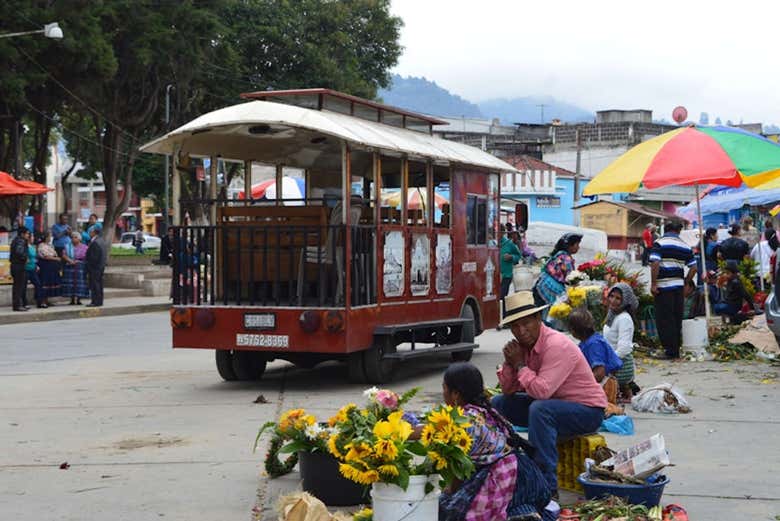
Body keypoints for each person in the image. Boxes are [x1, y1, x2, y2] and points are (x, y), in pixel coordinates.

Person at [491, 290, 607, 496]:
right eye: (515, 327)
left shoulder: (556, 344)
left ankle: (545, 485)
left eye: (526, 323)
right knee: (497, 404)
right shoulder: (522, 347)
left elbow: (541, 391)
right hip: (554, 406)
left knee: (540, 409)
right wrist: (510, 363)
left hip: (588, 411)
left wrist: (519, 364)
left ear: (538, 319)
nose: (521, 331)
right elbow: (508, 389)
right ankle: (499, 468)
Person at [438, 362, 554, 521]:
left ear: (456, 394)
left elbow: (458, 474)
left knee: (452, 511)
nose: (443, 393)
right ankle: (524, 514)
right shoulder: (483, 410)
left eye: (444, 388)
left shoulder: (463, 423)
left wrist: (449, 492)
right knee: (514, 507)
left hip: (505, 477)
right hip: (527, 475)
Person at [649, 221, 697, 359]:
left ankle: (669, 351)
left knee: (665, 319)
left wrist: (653, 283)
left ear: (666, 229)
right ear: (679, 231)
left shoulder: (659, 243)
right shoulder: (685, 246)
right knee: (676, 318)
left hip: (663, 287)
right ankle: (675, 349)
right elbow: (693, 268)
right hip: (678, 287)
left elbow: (655, 263)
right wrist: (686, 281)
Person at [567, 308, 623, 407]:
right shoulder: (587, 341)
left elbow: (599, 373)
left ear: (574, 330)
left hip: (604, 383)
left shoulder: (593, 344)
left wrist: (582, 385)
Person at [532, 233, 582, 321]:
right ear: (570, 246)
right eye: (577, 244)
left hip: (542, 283)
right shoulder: (566, 258)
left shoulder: (560, 254)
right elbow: (570, 277)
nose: (578, 247)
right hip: (549, 287)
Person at [603, 282, 639, 402]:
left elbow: (623, 349)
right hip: (612, 361)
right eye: (612, 296)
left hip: (620, 365)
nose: (613, 300)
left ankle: (624, 388)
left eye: (618, 298)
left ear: (625, 301)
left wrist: (607, 364)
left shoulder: (624, 319)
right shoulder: (612, 315)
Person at [498, 225, 523, 330]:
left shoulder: (509, 244)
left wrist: (511, 257)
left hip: (506, 274)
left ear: (503, 233)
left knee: (502, 296)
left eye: (499, 232)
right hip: (493, 274)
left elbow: (519, 256)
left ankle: (504, 319)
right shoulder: (491, 243)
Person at [61, 232, 89, 305]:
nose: (73, 239)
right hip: (70, 266)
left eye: (75, 237)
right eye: (72, 237)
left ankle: (79, 299)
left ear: (79, 239)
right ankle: (72, 299)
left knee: (79, 283)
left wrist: (79, 261)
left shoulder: (84, 247)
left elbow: (86, 257)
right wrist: (70, 260)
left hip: (80, 267)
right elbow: (64, 255)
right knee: (71, 284)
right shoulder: (67, 246)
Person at [37, 231, 63, 308]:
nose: (50, 238)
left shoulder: (50, 245)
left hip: (52, 267)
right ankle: (42, 301)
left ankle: (47, 300)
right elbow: (45, 256)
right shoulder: (41, 246)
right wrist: (56, 259)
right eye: (49, 236)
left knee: (50, 283)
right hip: (45, 266)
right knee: (44, 283)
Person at [10, 227, 30, 312]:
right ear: (22, 234)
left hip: (16, 265)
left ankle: (19, 304)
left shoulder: (17, 240)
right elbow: (19, 252)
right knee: (18, 286)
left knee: (18, 286)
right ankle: (17, 305)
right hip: (18, 266)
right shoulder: (20, 241)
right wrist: (25, 258)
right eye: (27, 233)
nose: (28, 235)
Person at [86, 224, 107, 307]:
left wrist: (89, 265)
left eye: (90, 231)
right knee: (98, 284)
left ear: (94, 232)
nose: (89, 233)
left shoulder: (95, 242)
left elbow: (94, 257)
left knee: (95, 285)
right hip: (100, 267)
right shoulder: (101, 240)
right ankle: (98, 300)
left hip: (95, 268)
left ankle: (95, 301)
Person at [23, 232, 43, 309]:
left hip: (33, 268)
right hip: (26, 268)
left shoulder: (32, 247)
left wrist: (36, 265)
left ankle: (39, 302)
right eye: (32, 237)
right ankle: (24, 303)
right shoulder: (25, 247)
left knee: (38, 284)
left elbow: (34, 258)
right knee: (23, 286)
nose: (33, 238)